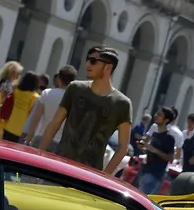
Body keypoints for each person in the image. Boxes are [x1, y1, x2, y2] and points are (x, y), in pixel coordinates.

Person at [39, 45, 132, 174]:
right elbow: (55, 123)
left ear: (108, 67)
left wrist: (105, 177)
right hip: (60, 166)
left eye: (94, 61)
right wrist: (40, 156)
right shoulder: (75, 88)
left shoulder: (122, 103)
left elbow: (123, 147)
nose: (88, 64)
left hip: (90, 175)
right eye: (88, 59)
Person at [23, 64, 75, 149]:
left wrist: (28, 138)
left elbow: (36, 118)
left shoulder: (47, 93)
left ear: (59, 78)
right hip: (59, 142)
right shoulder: (73, 99)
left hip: (41, 137)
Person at [135, 105, 176, 194]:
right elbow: (151, 151)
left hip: (155, 174)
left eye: (160, 115)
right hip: (145, 169)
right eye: (156, 113)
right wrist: (143, 148)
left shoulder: (169, 138)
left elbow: (170, 158)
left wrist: (155, 150)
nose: (156, 116)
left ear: (166, 120)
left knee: (142, 198)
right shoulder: (155, 134)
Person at [0, 69, 39, 143]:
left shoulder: (16, 92)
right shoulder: (34, 97)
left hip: (8, 126)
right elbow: (32, 114)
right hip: (21, 131)